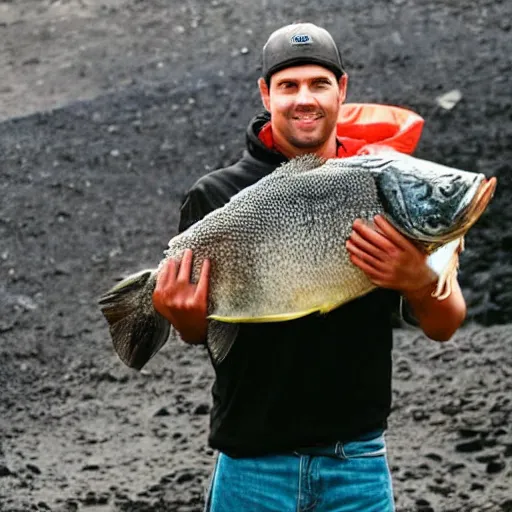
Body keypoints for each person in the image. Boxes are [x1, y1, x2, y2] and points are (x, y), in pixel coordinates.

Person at [152, 22, 467, 512]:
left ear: (341, 89)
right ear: (265, 93)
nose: (305, 99)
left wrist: (419, 283)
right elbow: (207, 333)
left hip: (356, 467)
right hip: (250, 466)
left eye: (319, 83)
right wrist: (186, 323)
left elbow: (446, 324)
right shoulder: (215, 196)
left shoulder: (389, 189)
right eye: (288, 85)